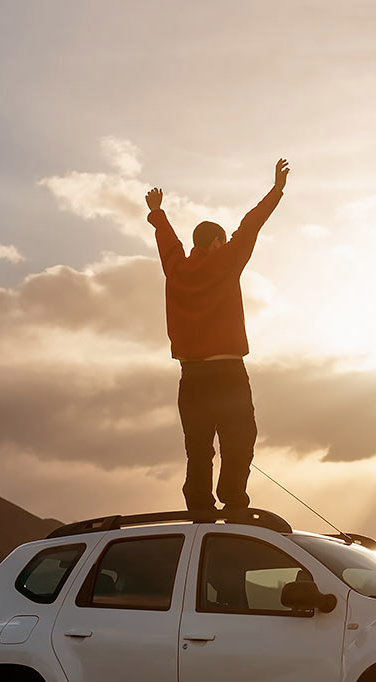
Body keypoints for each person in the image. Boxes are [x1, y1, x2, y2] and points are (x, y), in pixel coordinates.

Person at [145, 159, 288, 512]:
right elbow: (251, 225)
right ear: (217, 242)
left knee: (198, 445)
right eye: (223, 241)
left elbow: (168, 243)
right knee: (239, 438)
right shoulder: (225, 260)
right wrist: (276, 190)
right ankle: (233, 497)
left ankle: (199, 505)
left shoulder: (176, 269)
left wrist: (157, 213)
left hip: (191, 377)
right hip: (227, 373)